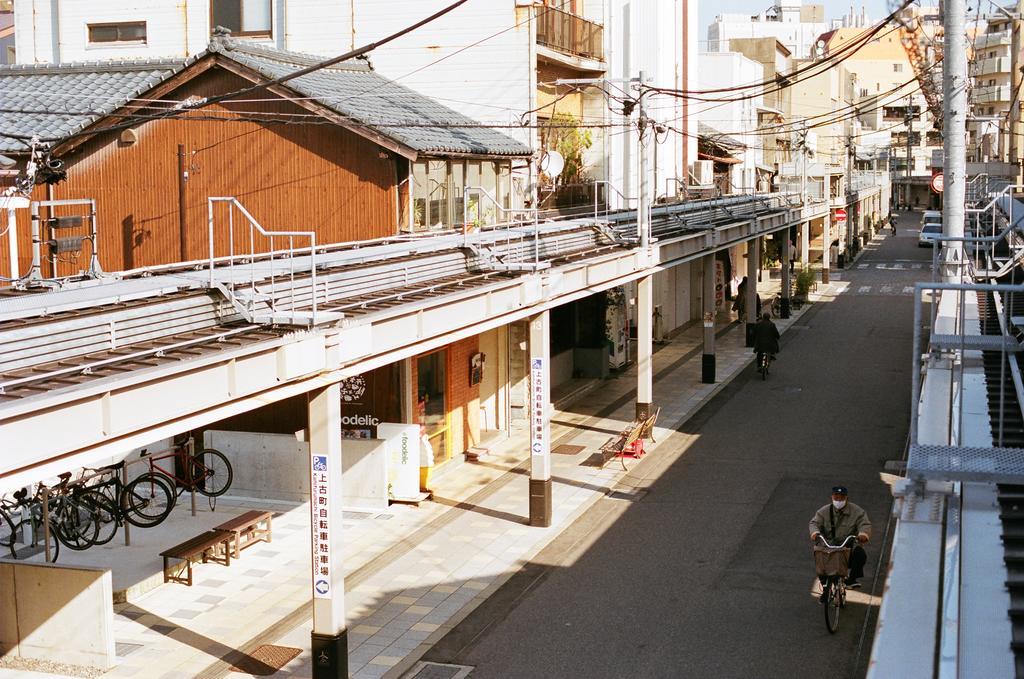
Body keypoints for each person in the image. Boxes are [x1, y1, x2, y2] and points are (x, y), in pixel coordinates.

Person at [809, 486, 871, 588]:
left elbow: (864, 524)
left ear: (847, 498)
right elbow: (814, 522)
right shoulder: (824, 511)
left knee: (860, 554)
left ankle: (852, 579)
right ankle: (824, 583)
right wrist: (815, 532)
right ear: (832, 497)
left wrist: (863, 534)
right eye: (836, 497)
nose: (838, 500)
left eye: (841, 498)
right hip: (828, 545)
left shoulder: (857, 511)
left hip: (847, 545)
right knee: (818, 555)